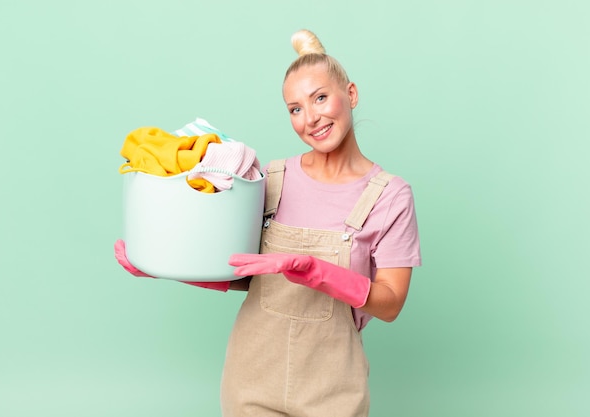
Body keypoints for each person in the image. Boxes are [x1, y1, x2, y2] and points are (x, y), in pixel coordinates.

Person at [115, 29, 421, 417]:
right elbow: (245, 275)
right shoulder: (269, 179)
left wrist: (314, 271)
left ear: (352, 95)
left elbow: (391, 303)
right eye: (295, 108)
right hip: (252, 377)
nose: (310, 118)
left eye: (320, 98)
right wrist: (162, 266)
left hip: (332, 387)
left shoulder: (390, 196)